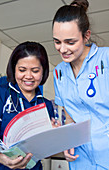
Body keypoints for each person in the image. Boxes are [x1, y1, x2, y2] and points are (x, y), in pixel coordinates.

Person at [52, 0, 109, 169]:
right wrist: (68, 140)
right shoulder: (59, 73)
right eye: (57, 42)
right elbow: (70, 117)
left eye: (70, 42)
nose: (62, 49)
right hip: (80, 157)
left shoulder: (106, 59)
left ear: (86, 36)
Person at [0, 41, 55, 170]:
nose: (28, 76)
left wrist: (55, 136)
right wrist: (0, 157)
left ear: (43, 71)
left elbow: (46, 149)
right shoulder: (0, 93)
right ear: (14, 69)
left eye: (35, 71)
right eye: (22, 70)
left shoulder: (46, 105)